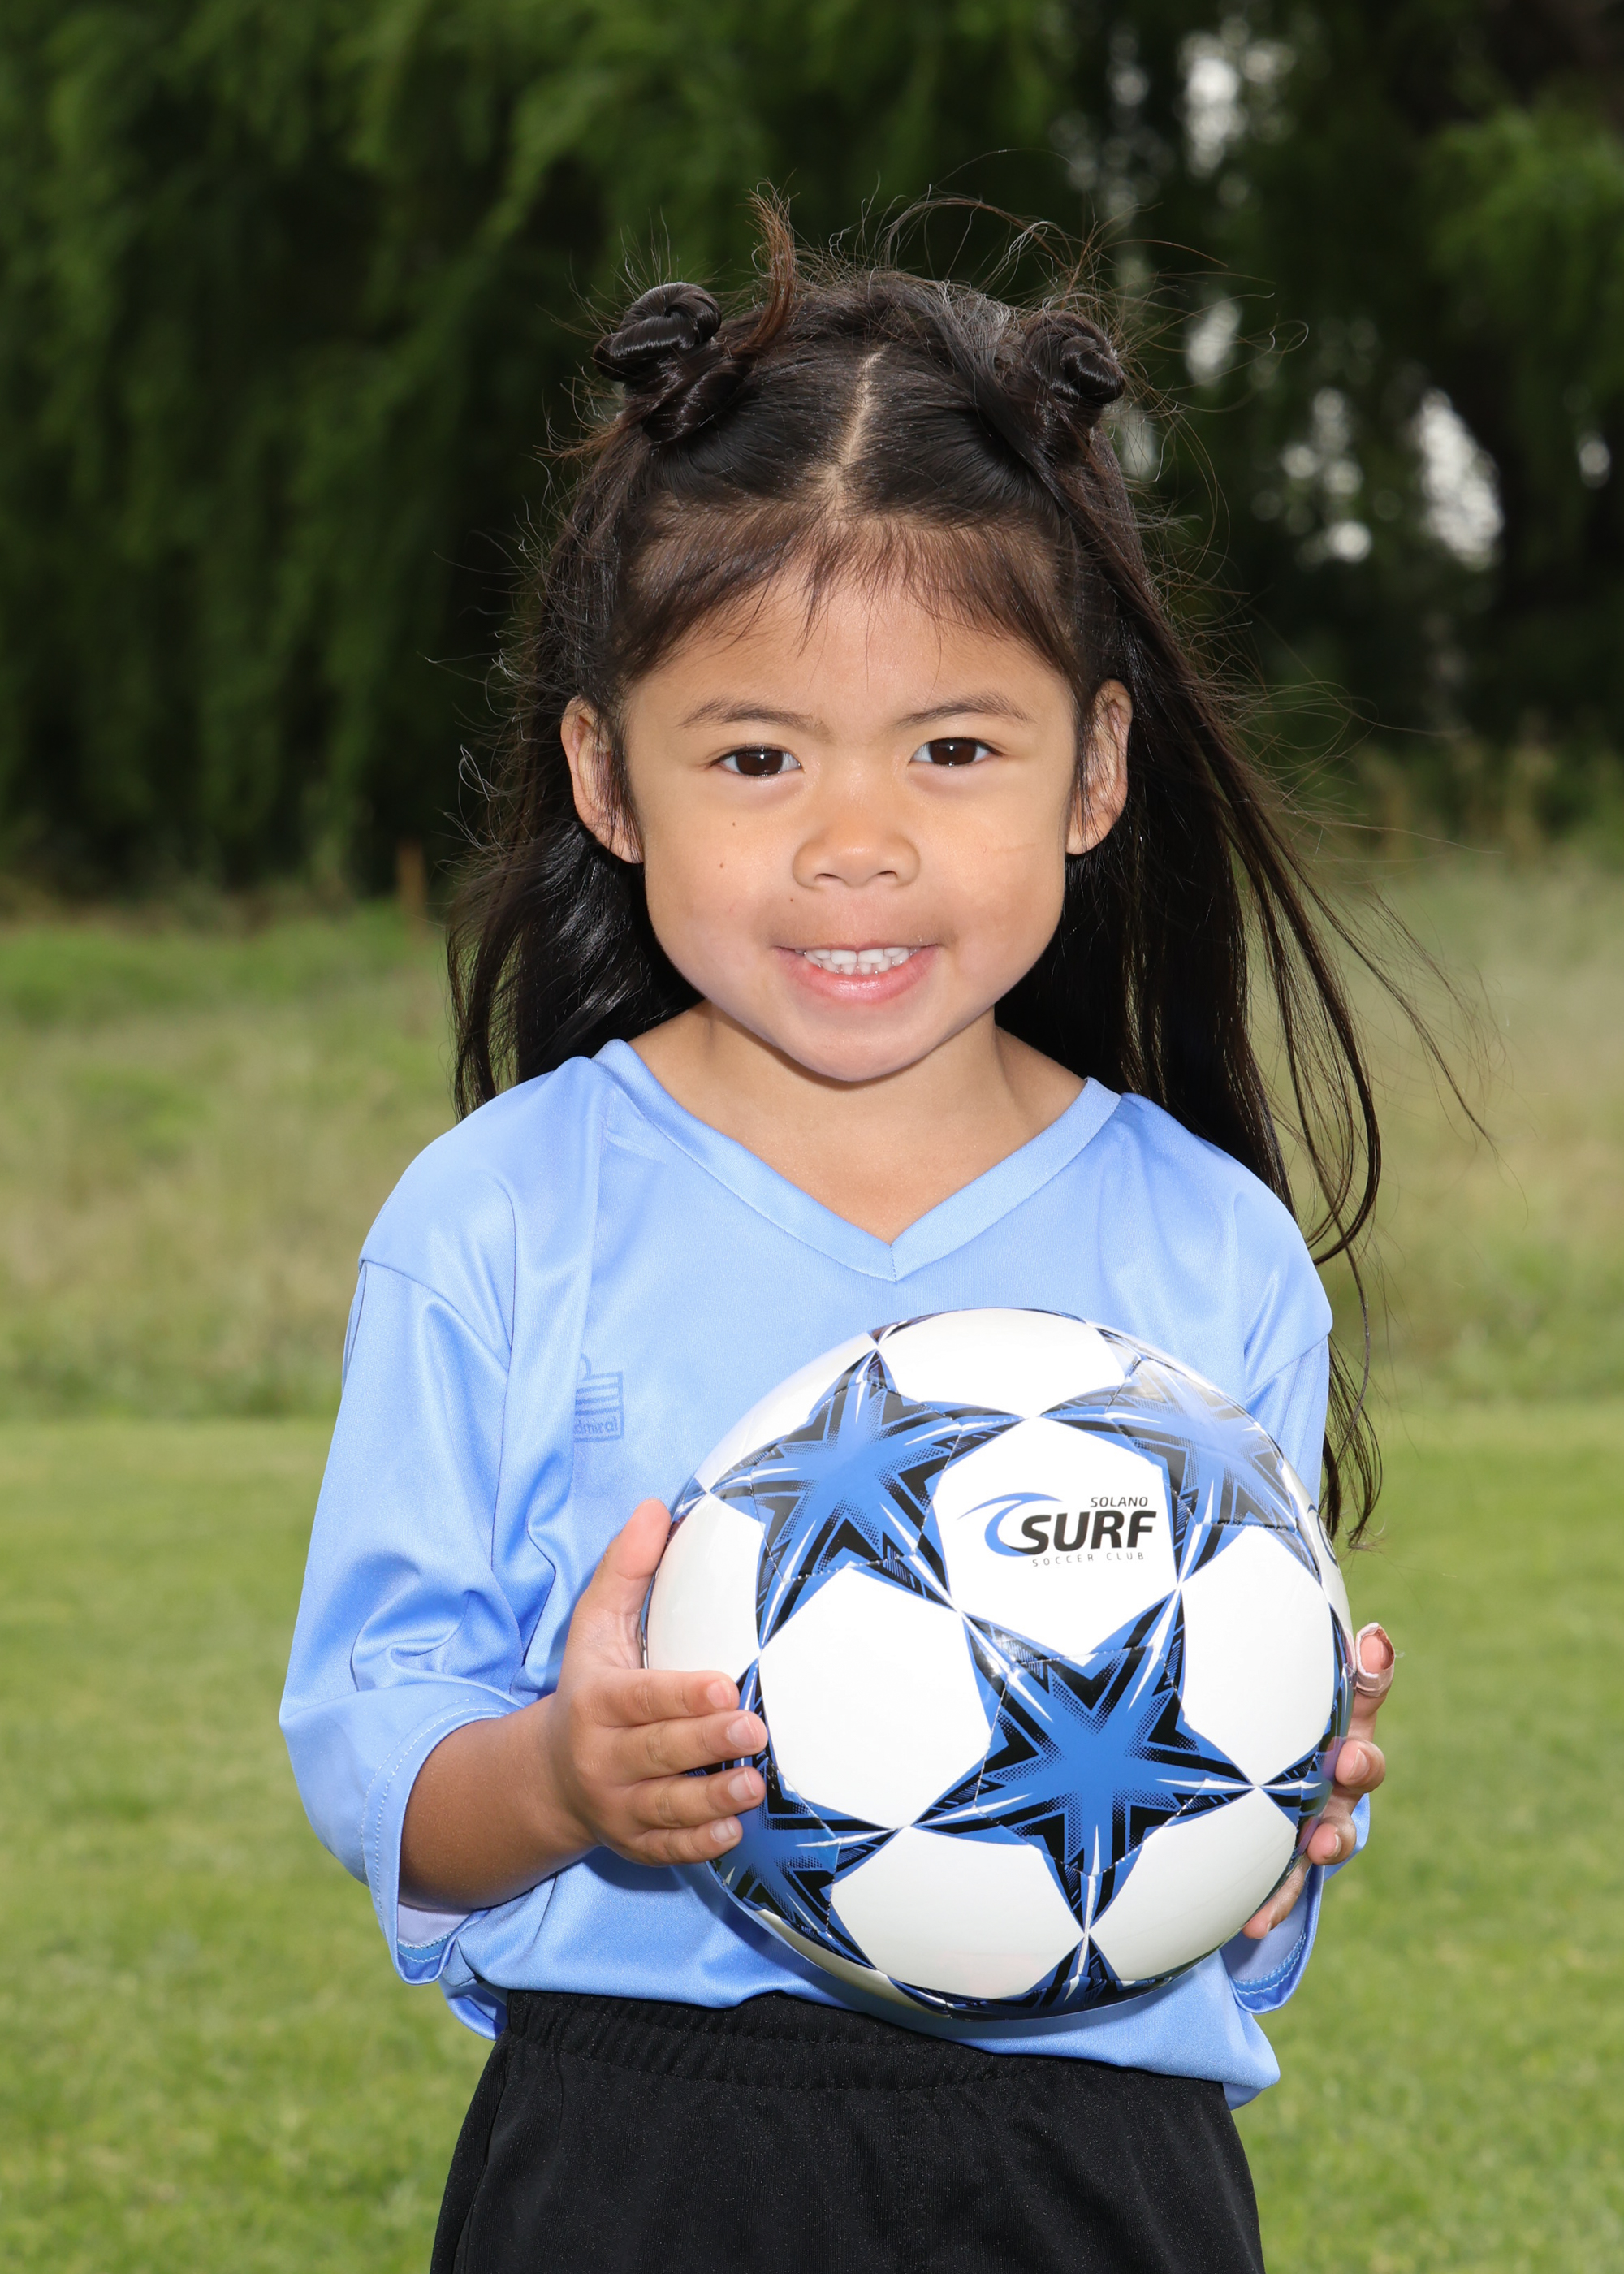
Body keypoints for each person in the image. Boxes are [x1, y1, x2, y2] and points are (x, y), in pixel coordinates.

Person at [281, 213, 1398, 2273]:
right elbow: (381, 1752)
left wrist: (1269, 1800)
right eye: (756, 755)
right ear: (608, 778)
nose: (854, 842)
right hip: (639, 2155)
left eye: (952, 747)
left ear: (1095, 766)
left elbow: (1240, 1898)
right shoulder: (501, 1216)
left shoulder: (1210, 1242)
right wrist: (564, 1775)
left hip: (1099, 2165)